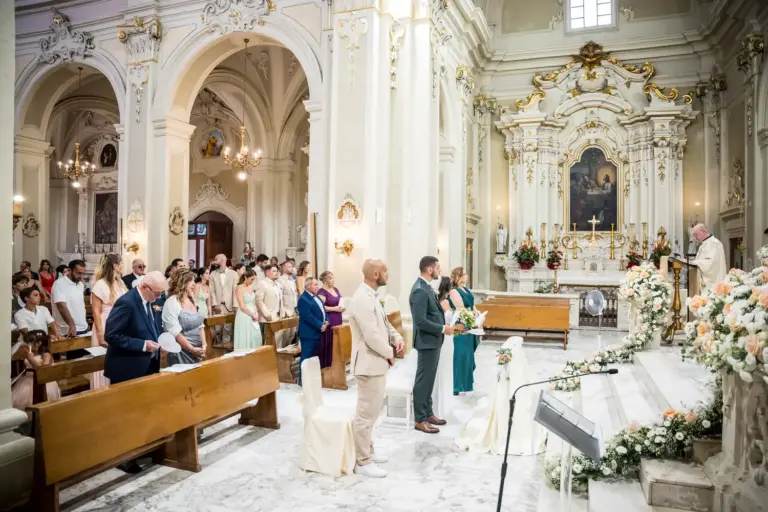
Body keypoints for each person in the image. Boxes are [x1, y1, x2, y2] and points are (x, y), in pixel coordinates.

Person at [104, 271, 167, 473]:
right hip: (127, 366)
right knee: (126, 414)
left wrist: (160, 341)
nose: (159, 298)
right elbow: (112, 335)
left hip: (147, 364)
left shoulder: (150, 301)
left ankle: (141, 448)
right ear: (145, 287)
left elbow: (152, 326)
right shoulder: (127, 303)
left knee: (143, 410)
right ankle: (123, 457)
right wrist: (142, 345)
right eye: (157, 293)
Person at [349, 259, 404, 478]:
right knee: (365, 414)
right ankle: (362, 461)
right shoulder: (361, 298)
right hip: (368, 363)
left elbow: (385, 324)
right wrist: (391, 353)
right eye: (385, 271)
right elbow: (371, 336)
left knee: (372, 412)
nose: (387, 274)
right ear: (374, 274)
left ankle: (368, 450)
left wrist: (397, 338)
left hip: (376, 362)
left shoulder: (372, 296)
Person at [410, 256, 462, 434]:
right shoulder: (419, 290)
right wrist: (443, 328)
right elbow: (421, 320)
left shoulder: (426, 287)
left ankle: (428, 413)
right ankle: (419, 419)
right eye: (438, 267)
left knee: (430, 379)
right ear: (429, 269)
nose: (440, 270)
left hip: (433, 341)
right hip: (426, 341)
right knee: (423, 381)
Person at [90, 254, 128, 389]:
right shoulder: (100, 284)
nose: (123, 266)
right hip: (105, 322)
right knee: (103, 360)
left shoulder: (120, 283)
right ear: (115, 266)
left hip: (120, 323)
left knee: (119, 359)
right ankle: (101, 391)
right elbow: (96, 311)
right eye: (121, 263)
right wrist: (100, 335)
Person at [12, 330, 60, 420]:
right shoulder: (30, 353)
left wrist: (31, 359)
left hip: (43, 384)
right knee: (18, 401)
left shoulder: (46, 355)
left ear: (38, 343)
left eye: (29, 342)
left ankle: (38, 420)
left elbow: (42, 371)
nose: (26, 345)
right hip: (28, 380)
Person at [162, 269, 206, 364]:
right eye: (190, 281)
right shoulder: (171, 302)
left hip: (198, 349)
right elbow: (175, 332)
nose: (194, 284)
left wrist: (204, 344)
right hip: (181, 350)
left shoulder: (191, 300)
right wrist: (192, 349)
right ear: (181, 282)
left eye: (194, 281)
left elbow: (200, 325)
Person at [448, 267, 478, 396]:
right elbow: (460, 307)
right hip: (461, 325)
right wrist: (472, 316)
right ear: (458, 277)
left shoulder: (466, 290)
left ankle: (466, 385)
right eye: (464, 274)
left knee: (468, 357)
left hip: (470, 324)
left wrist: (477, 313)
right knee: (461, 356)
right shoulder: (454, 291)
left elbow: (472, 305)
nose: (466, 276)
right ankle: (458, 386)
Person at [297, 278, 328, 385]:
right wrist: (320, 325)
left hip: (318, 332)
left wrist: (326, 321)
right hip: (309, 333)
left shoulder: (317, 297)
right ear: (308, 286)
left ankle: (311, 378)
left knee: (314, 357)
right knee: (306, 357)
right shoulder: (303, 299)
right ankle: (302, 379)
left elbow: (323, 310)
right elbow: (307, 316)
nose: (317, 286)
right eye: (315, 285)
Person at [433, 276, 454, 419]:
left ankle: (440, 404)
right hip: (446, 337)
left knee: (442, 369)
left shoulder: (437, 301)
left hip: (446, 336)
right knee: (443, 369)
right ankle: (440, 405)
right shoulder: (444, 302)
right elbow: (449, 320)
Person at [52, 259, 89, 340]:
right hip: (67, 330)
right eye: (79, 273)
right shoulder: (59, 284)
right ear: (69, 270)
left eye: (83, 273)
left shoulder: (80, 284)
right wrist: (71, 325)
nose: (81, 276)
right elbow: (61, 305)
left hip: (83, 327)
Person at [317, 271, 344, 368]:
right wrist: (334, 308)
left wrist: (342, 307)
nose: (333, 280)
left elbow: (340, 301)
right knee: (329, 341)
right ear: (324, 280)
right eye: (330, 278)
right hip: (330, 318)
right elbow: (320, 307)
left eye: (333, 278)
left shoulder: (335, 289)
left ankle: (336, 363)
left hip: (338, 317)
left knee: (337, 341)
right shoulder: (322, 292)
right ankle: (327, 364)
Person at [210, 254, 238, 340]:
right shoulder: (213, 274)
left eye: (216, 259)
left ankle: (225, 349)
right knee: (217, 329)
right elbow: (212, 290)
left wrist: (235, 305)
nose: (214, 261)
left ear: (221, 260)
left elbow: (235, 290)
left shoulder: (234, 274)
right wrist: (214, 304)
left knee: (228, 329)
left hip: (229, 306)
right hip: (218, 305)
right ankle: (217, 350)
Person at [234, 269, 263, 351]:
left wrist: (256, 312)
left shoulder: (251, 287)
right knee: (245, 336)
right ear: (246, 277)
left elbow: (253, 302)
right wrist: (252, 314)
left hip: (253, 313)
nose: (252, 281)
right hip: (244, 315)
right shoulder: (239, 288)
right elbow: (242, 306)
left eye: (254, 279)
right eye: (251, 279)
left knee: (255, 336)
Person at [692, 223, 727, 290]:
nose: (695, 237)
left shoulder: (714, 243)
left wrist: (694, 263)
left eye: (696, 234)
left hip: (712, 283)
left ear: (703, 231)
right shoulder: (704, 244)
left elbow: (710, 264)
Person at [253, 263, 282, 338]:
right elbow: (259, 300)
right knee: (267, 341)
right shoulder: (262, 283)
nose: (277, 273)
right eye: (274, 271)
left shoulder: (278, 284)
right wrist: (267, 314)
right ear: (267, 272)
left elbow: (280, 300)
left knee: (278, 340)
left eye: (277, 271)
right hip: (267, 317)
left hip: (278, 316)